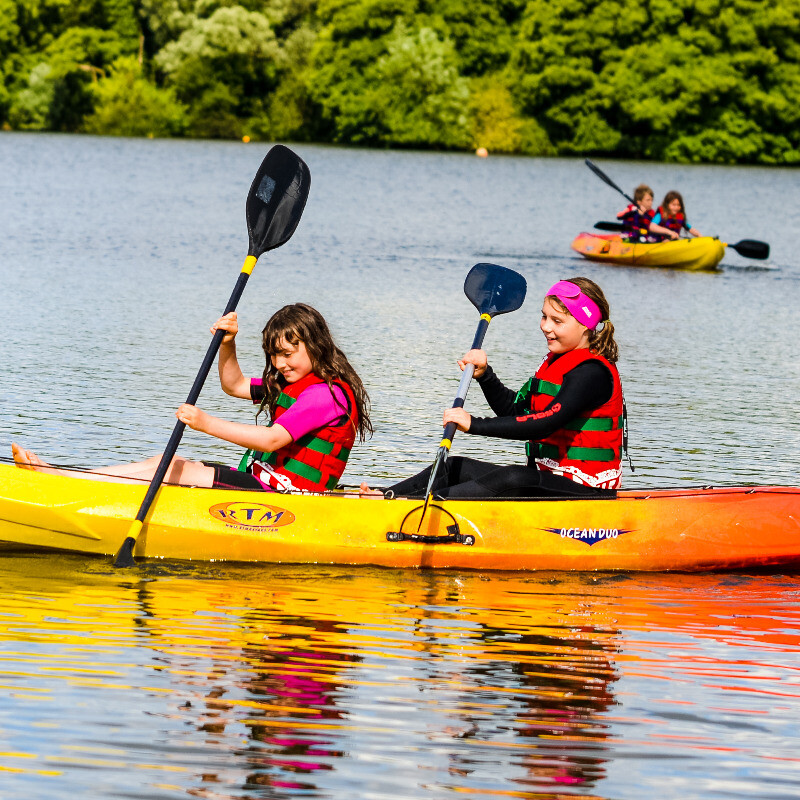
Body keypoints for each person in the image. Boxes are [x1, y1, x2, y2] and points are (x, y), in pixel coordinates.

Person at [12, 304, 372, 493]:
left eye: (288, 354)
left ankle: (59, 480)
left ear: (315, 345)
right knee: (163, 460)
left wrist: (205, 423)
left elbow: (272, 439)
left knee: (171, 469)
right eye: (274, 355)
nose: (279, 363)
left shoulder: (327, 396)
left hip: (286, 501)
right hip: (264, 484)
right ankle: (65, 479)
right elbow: (233, 384)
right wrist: (227, 344)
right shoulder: (292, 383)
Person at [360, 278, 624, 500]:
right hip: (550, 480)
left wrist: (473, 424)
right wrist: (486, 376)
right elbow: (516, 411)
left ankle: (407, 507)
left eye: (557, 321)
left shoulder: (592, 373)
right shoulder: (555, 362)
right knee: (454, 466)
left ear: (586, 325)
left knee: (514, 476)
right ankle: (384, 496)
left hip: (589, 492)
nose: (545, 326)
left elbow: (545, 424)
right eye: (544, 316)